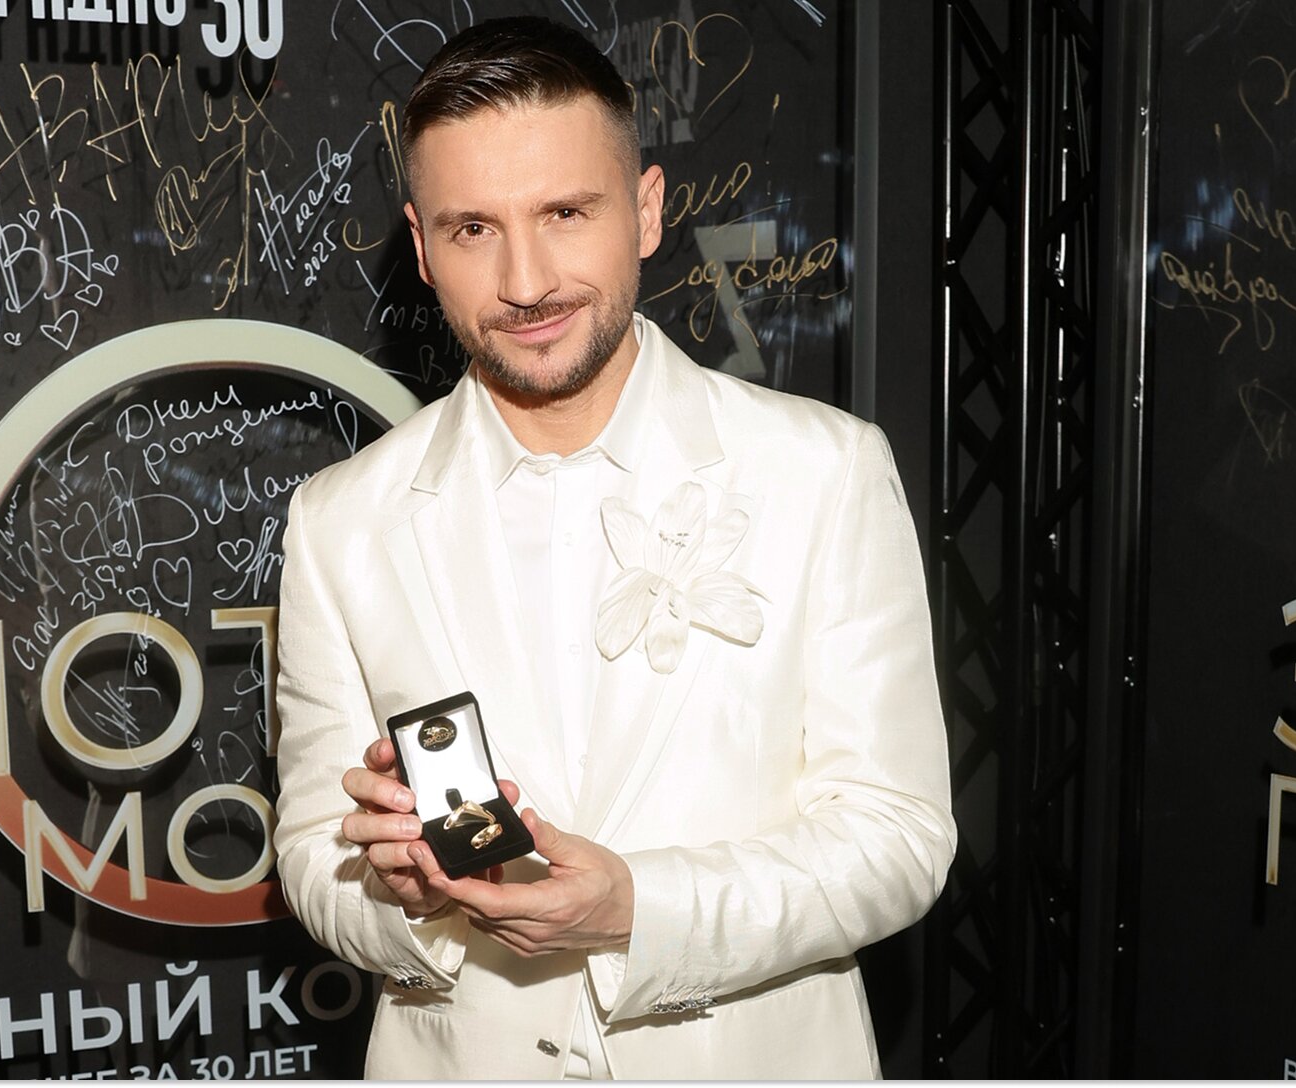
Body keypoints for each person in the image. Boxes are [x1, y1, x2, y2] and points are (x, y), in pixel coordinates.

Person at [272, 16, 954, 1080]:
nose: (525, 280)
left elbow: (897, 837)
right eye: (472, 228)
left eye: (564, 212)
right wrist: (400, 892)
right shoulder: (339, 520)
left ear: (644, 209)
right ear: (422, 247)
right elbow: (315, 853)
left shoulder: (823, 473)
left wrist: (640, 908)